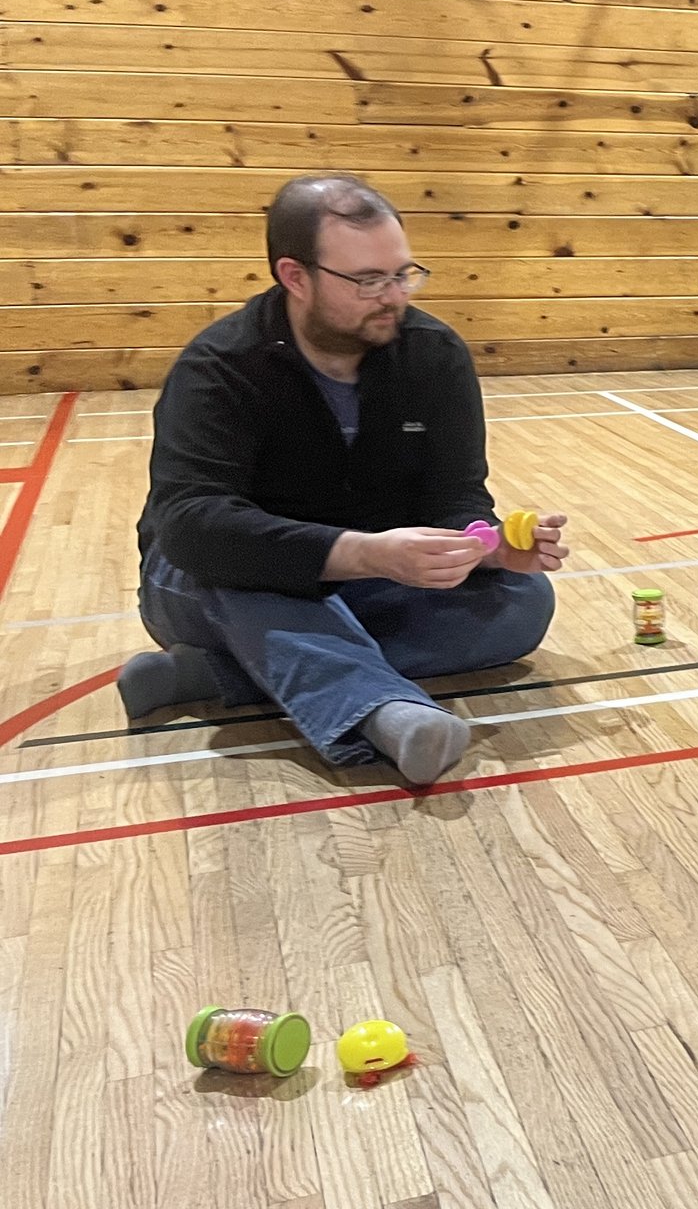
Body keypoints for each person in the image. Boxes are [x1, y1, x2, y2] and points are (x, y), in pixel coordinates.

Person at [128, 174, 567, 786]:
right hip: (216, 578)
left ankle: (221, 673)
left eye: (403, 273)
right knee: (255, 581)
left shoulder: (435, 356)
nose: (393, 296)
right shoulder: (220, 367)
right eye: (367, 280)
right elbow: (194, 528)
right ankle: (383, 712)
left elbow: (457, 495)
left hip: (366, 576)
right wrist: (362, 551)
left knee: (522, 603)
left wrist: (487, 547)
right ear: (296, 276)